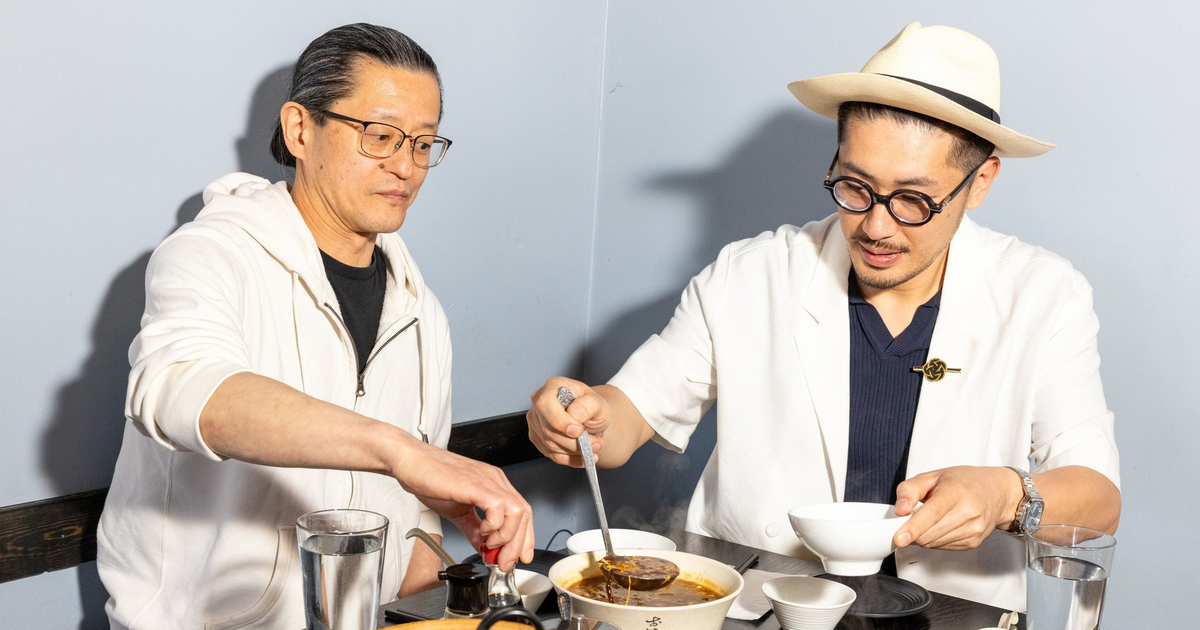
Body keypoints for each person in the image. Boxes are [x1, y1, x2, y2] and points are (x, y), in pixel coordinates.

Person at [526, 22, 1120, 610]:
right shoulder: (752, 274)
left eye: (913, 200)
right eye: (855, 186)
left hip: (953, 615)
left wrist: (1005, 495)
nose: (876, 227)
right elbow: (628, 418)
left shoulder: (1043, 295)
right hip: (761, 610)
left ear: (980, 181)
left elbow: (1097, 498)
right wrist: (588, 419)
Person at [97, 23, 534, 630]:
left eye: (424, 143)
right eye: (380, 136)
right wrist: (397, 451)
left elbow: (410, 530)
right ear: (301, 129)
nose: (406, 166)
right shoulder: (212, 252)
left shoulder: (420, 309)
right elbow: (178, 388)